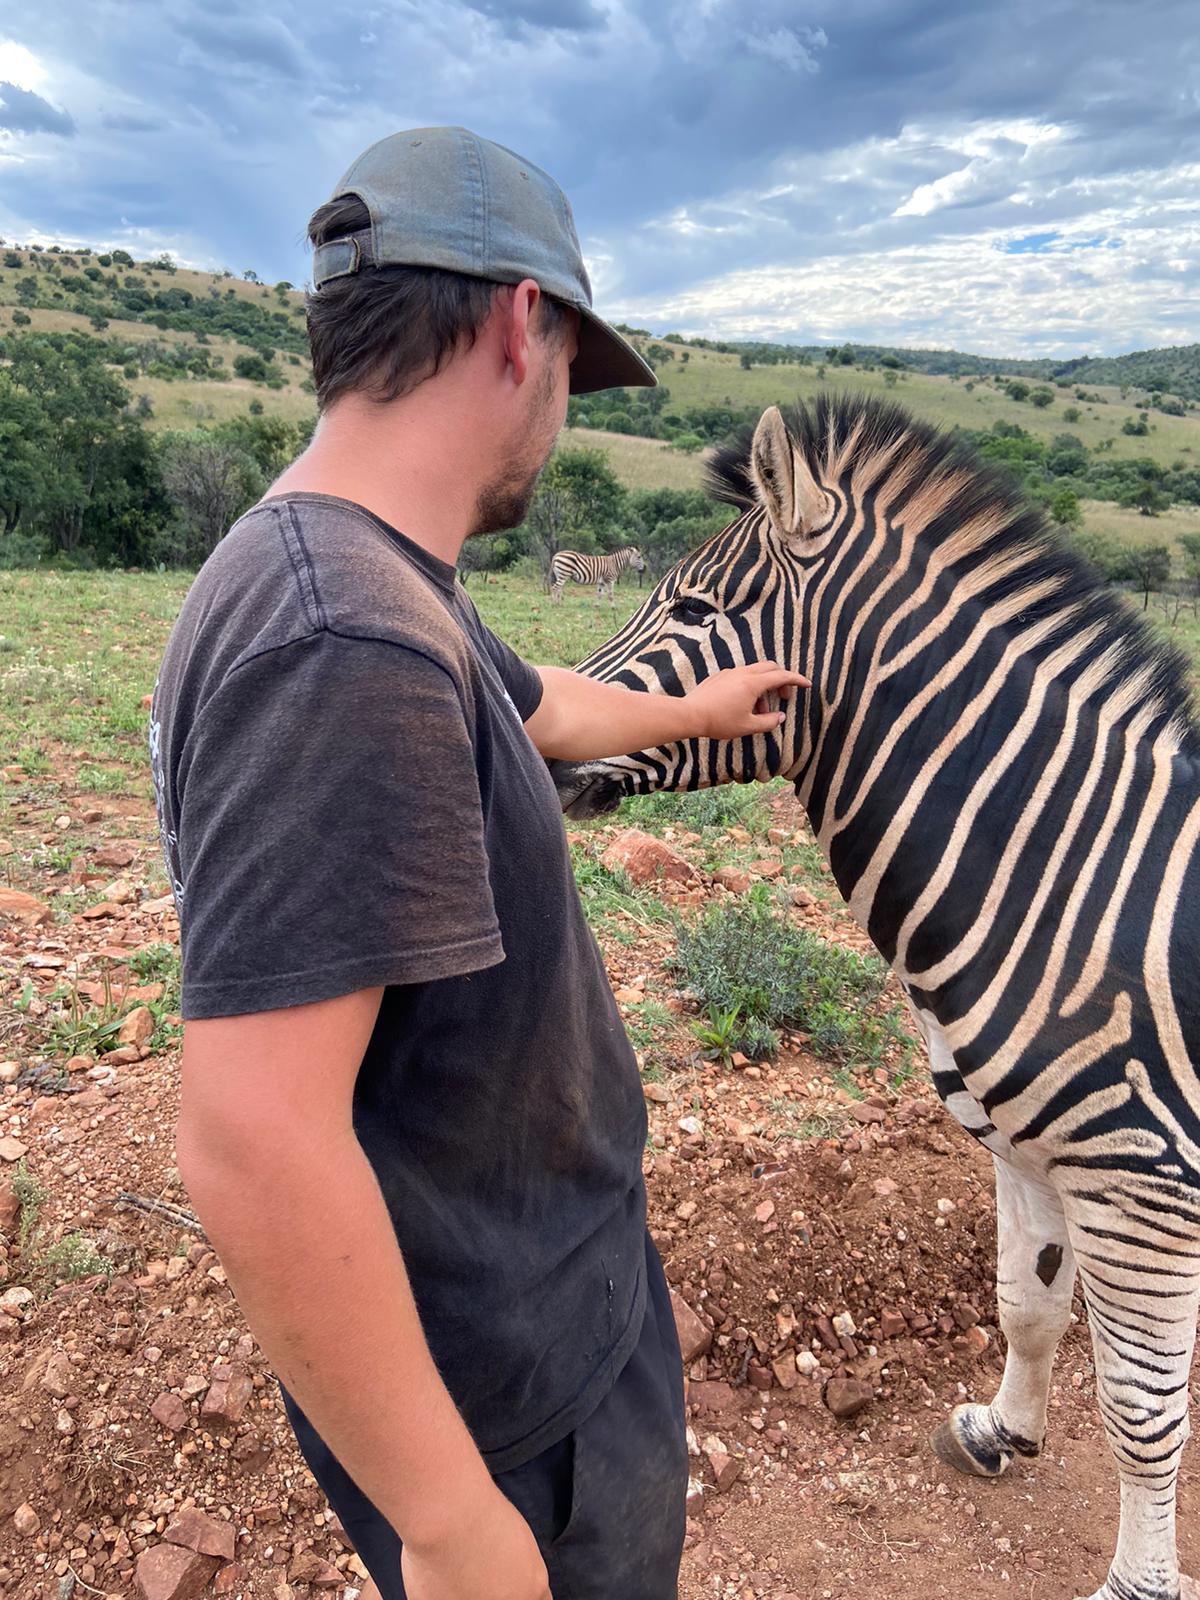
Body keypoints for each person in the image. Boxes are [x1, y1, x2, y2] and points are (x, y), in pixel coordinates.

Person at [152, 126, 805, 1600]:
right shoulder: (346, 640)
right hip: (511, 1398)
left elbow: (541, 704)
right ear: (524, 326)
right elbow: (252, 1140)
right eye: (573, 368)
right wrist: (453, 1524)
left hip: (525, 1315)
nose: (561, 411)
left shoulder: (364, 575)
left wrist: (696, 709)